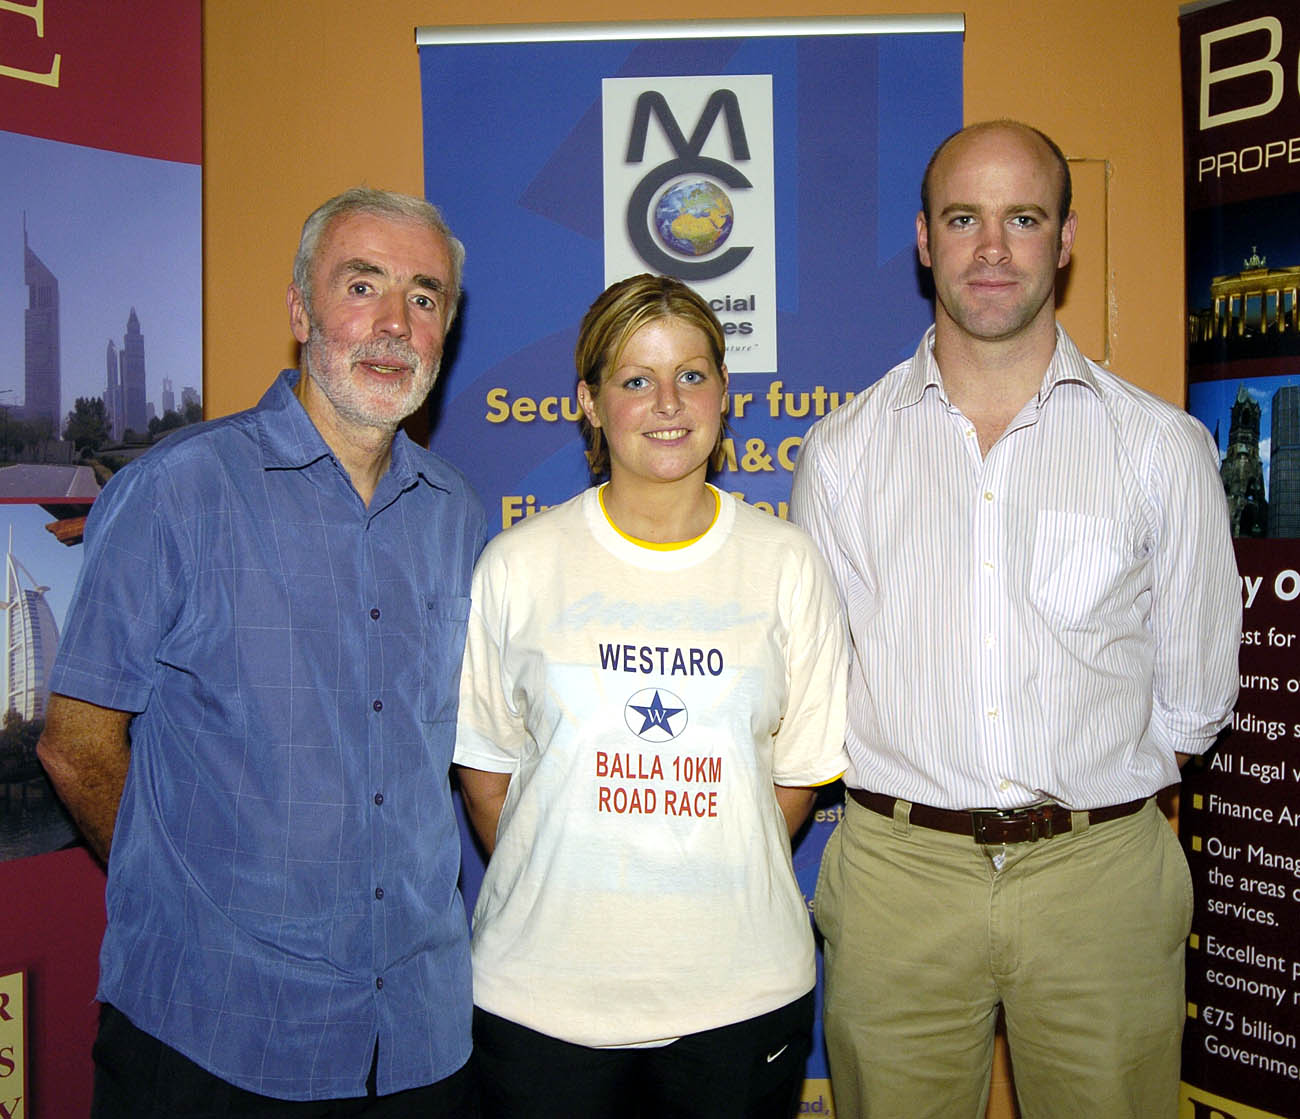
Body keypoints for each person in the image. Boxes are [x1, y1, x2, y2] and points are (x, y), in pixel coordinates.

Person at [789, 121, 1241, 1119]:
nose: (991, 248)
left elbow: (1197, 693)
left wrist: (1091, 794)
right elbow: (819, 682)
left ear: (1065, 239)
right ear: (923, 239)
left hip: (1102, 875)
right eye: (964, 218)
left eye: (1021, 218)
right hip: (898, 877)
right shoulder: (843, 454)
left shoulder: (1159, 449)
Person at [37, 187, 485, 1117]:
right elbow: (75, 744)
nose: (395, 324)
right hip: (212, 1033)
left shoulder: (458, 514)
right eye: (362, 285)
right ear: (299, 309)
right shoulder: (177, 492)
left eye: (426, 296)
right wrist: (189, 900)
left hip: (418, 1038)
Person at [454, 273, 849, 1119]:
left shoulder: (787, 564)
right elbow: (488, 780)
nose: (668, 402)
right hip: (541, 1002)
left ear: (724, 393)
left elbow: (792, 783)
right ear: (590, 404)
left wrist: (698, 861)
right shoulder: (517, 566)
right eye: (635, 379)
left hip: (737, 999)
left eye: (693, 374)